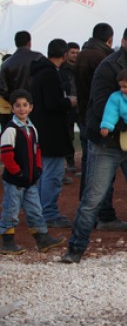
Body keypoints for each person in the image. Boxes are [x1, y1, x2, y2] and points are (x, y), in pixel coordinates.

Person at [61, 24, 127, 270]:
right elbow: (99, 106)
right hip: (106, 144)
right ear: (123, 41)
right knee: (93, 199)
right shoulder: (107, 68)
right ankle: (75, 250)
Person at [72, 22, 127, 231]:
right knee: (102, 172)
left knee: (90, 168)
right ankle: (103, 214)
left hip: (86, 117)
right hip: (101, 120)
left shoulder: (83, 54)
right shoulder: (104, 60)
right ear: (111, 39)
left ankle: (90, 213)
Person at [0, 90, 65, 255]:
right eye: (17, 106)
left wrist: (38, 169)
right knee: (11, 210)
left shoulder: (32, 128)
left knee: (35, 209)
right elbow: (6, 155)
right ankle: (7, 243)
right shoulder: (10, 130)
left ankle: (43, 240)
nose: (21, 109)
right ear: (12, 108)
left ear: (31, 107)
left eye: (25, 105)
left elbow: (37, 150)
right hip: (15, 181)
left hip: (30, 180)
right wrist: (17, 173)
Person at [29, 39, 77, 228]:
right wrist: (69, 102)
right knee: (52, 175)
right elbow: (53, 103)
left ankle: (41, 212)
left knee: (45, 173)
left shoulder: (40, 72)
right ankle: (48, 213)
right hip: (52, 131)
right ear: (64, 55)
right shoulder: (50, 74)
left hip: (42, 129)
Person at [0, 31, 43, 104]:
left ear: (16, 43)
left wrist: (14, 101)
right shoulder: (39, 57)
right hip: (38, 105)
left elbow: (2, 90)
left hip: (17, 107)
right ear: (29, 43)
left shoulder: (6, 64)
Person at [60, 42, 80, 175]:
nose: (75, 55)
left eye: (77, 53)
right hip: (67, 106)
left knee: (84, 134)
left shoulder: (81, 67)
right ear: (67, 54)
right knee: (68, 135)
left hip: (80, 106)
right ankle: (70, 162)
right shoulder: (61, 69)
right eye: (73, 52)